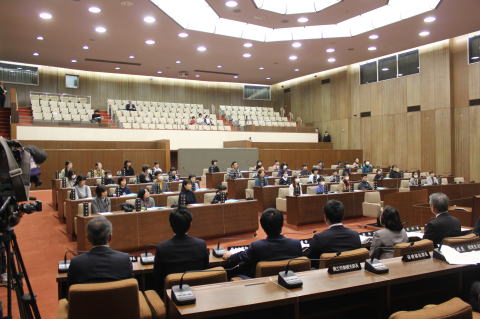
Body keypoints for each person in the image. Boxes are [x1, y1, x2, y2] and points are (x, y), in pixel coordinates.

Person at [223, 208, 302, 278]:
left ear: (263, 227)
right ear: (282, 225)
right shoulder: (296, 244)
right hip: (289, 285)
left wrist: (230, 256)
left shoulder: (257, 247)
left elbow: (240, 257)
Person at [153, 207, 208, 294]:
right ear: (190, 224)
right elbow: (205, 272)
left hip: (171, 298)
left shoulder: (162, 248)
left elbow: (157, 280)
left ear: (170, 225)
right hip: (198, 295)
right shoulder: (201, 244)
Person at [67, 216, 132, 287]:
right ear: (110, 237)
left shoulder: (76, 263)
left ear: (88, 239)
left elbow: (70, 292)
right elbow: (131, 289)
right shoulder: (124, 260)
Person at [308, 200, 361, 268]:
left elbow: (312, 263)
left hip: (327, 276)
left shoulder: (319, 238)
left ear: (325, 217)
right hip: (351, 275)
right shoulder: (355, 235)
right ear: (342, 216)